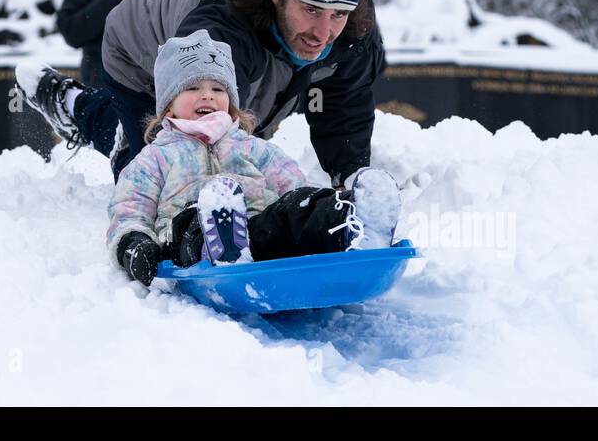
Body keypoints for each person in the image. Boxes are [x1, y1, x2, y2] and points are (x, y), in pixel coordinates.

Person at [17, 0, 386, 184]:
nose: (323, 33)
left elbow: (345, 111)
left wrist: (352, 185)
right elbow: (196, 136)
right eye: (310, 10)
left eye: (336, 15)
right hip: (137, 45)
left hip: (241, 58)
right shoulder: (223, 23)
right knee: (152, 173)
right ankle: (76, 106)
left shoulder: (352, 25)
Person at [107, 31, 401, 287]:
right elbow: (129, 211)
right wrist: (134, 245)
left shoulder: (254, 148)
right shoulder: (154, 158)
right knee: (192, 222)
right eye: (192, 87)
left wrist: (314, 209)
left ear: (232, 102)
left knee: (291, 211)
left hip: (258, 232)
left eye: (218, 89)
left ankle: (354, 226)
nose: (207, 96)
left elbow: (295, 188)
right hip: (192, 243)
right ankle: (221, 247)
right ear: (168, 106)